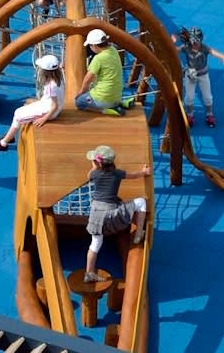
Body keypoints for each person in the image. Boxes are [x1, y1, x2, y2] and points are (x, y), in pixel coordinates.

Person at [82, 145, 151, 283]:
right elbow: (133, 176)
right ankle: (138, 235)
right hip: (110, 213)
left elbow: (88, 175)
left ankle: (89, 273)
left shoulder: (94, 174)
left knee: (95, 243)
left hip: (96, 214)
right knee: (141, 202)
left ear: (98, 163)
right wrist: (144, 172)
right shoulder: (117, 173)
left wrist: (95, 166)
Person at [0, 54, 64, 150]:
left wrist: (44, 119)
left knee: (19, 117)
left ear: (45, 71)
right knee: (18, 111)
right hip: (46, 104)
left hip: (49, 111)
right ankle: (10, 137)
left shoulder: (51, 86)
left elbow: (54, 106)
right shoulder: (58, 79)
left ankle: (3, 143)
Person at [174, 26, 224, 127]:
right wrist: (173, 42)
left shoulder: (204, 48)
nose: (195, 43)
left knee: (207, 97)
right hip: (190, 74)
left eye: (197, 41)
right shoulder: (186, 47)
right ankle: (190, 115)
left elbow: (214, 52)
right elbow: (175, 51)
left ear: (200, 39)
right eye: (193, 40)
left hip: (203, 74)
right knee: (189, 97)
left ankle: (209, 115)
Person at [75, 30, 131, 116]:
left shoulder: (98, 58)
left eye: (90, 45)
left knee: (79, 102)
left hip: (103, 99)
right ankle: (121, 103)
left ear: (94, 45)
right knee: (109, 92)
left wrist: (81, 92)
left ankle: (105, 110)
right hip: (117, 96)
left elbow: (88, 79)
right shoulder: (113, 50)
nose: (90, 48)